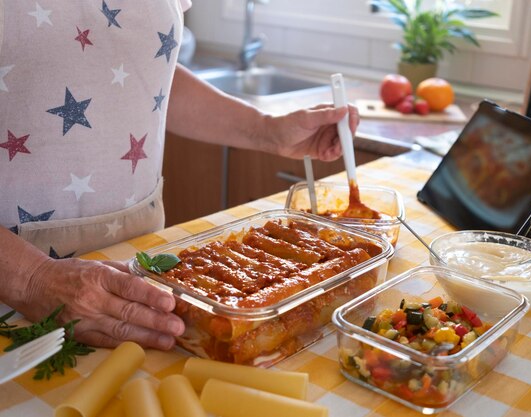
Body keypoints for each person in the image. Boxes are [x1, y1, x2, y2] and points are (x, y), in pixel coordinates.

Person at [0, 1, 358, 351]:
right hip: (12, 295)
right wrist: (33, 280)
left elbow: (141, 66)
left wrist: (265, 130)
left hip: (144, 280)